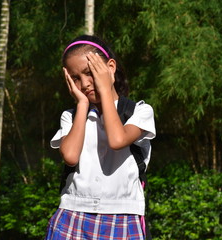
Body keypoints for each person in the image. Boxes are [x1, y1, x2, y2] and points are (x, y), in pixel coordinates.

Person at [46, 35, 156, 240]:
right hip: (72, 214)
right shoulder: (71, 116)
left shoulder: (139, 112)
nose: (85, 83)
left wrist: (105, 88)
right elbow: (70, 156)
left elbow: (117, 140)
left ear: (110, 68)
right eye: (75, 78)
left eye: (90, 73)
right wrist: (81, 105)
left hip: (123, 216)